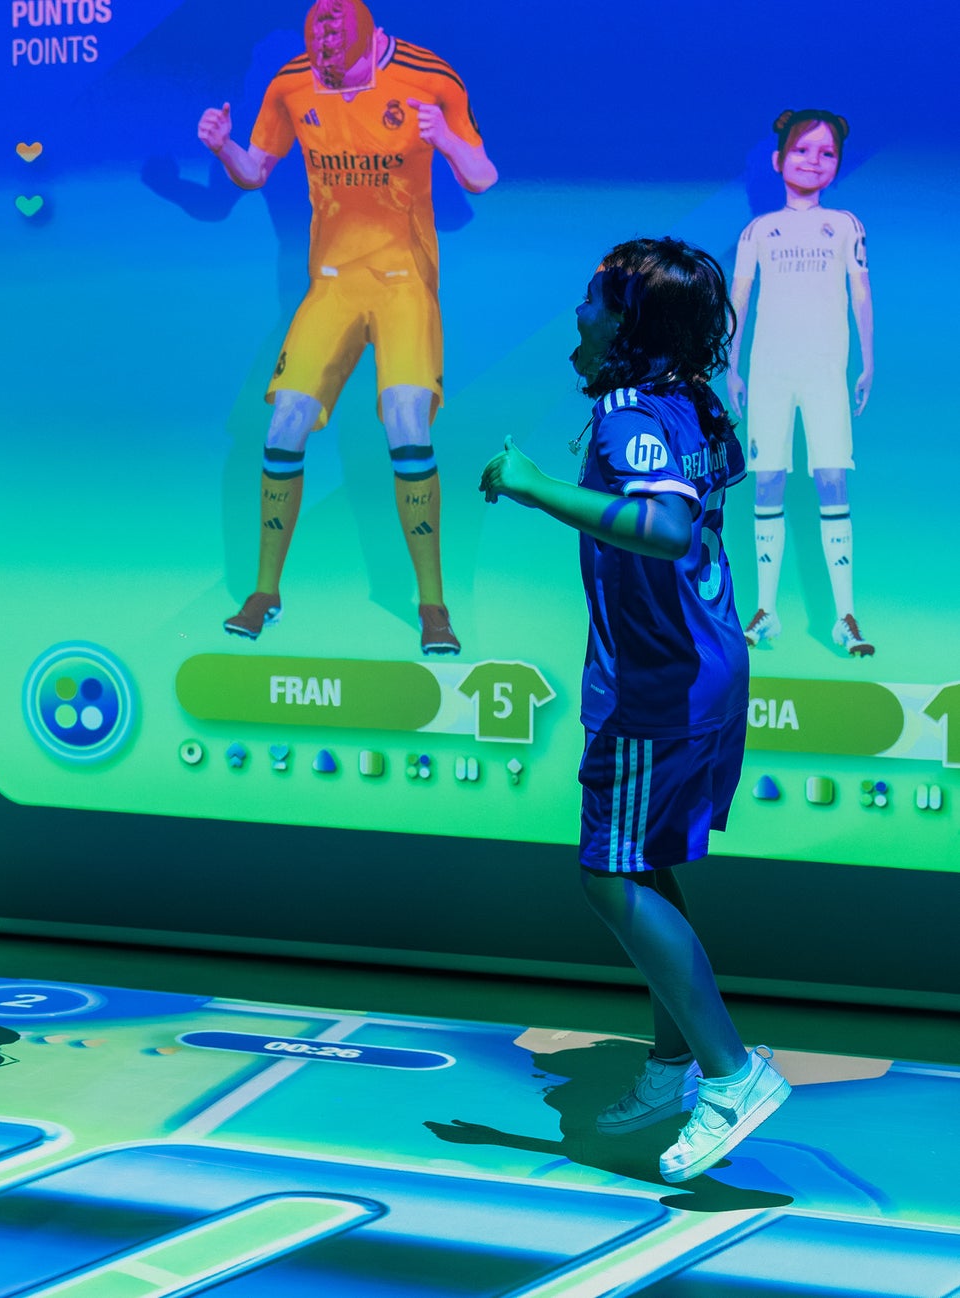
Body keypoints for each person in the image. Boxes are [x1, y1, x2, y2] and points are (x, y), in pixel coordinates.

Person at [479, 238, 788, 1184]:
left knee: (608, 878)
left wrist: (535, 487)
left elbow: (667, 526)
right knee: (643, 864)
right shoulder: (696, 400)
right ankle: (671, 1065)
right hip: (707, 667)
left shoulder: (627, 416)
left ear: (626, 323)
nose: (577, 315)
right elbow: (716, 480)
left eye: (592, 300)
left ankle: (732, 1073)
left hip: (657, 688)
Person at [199, 0, 495, 654]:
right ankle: (265, 593)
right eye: (319, 56)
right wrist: (222, 147)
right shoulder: (290, 82)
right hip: (331, 285)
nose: (326, 69)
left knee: (406, 421)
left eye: (338, 59)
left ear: (370, 39)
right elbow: (254, 171)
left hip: (403, 284)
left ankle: (433, 605)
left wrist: (444, 141)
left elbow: (482, 176)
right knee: (283, 423)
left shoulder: (429, 77)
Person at [727, 109, 874, 657]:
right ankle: (766, 611)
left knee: (833, 481)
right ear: (778, 160)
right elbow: (739, 300)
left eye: (827, 153)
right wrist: (733, 363)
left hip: (825, 375)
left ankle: (845, 617)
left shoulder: (846, 225)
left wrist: (868, 361)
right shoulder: (759, 230)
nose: (814, 161)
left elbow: (861, 294)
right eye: (802, 150)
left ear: (837, 164)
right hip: (769, 374)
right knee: (767, 482)